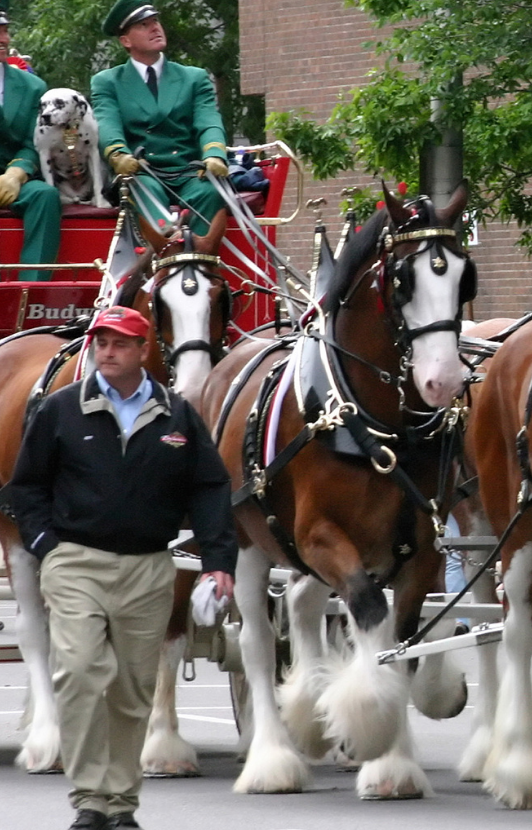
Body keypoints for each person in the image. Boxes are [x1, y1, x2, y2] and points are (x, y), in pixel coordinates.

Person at [0, 305, 236, 830]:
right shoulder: (61, 410)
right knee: (81, 672)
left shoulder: (176, 416)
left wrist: (218, 562)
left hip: (149, 567)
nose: (107, 351)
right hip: (75, 564)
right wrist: (48, 547)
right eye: (101, 342)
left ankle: (121, 804)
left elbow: (210, 487)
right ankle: (89, 799)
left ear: (143, 350)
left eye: (120, 343)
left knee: (132, 691)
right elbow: (26, 487)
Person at [92, 1, 229, 234]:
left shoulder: (193, 78)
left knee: (210, 192)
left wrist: (215, 154)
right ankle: (169, 252)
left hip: (188, 170)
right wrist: (117, 153)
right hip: (142, 171)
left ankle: (199, 262)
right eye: (144, 25)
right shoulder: (107, 81)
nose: (155, 28)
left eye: (155, 21)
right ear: (126, 41)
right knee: (139, 190)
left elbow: (208, 121)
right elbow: (107, 122)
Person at [0, 5, 62, 281]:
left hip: (14, 179)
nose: (4, 39)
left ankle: (32, 291)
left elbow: (34, 140)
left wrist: (16, 173)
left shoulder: (32, 86)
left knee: (45, 195)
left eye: (4, 31)